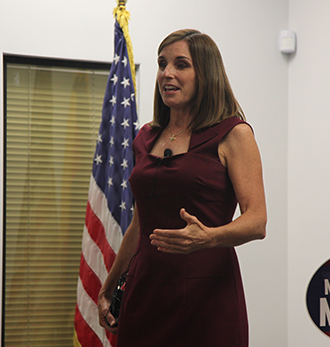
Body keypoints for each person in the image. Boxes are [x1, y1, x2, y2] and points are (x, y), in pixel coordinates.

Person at [97, 29, 267, 346]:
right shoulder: (145, 137)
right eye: (162, 64)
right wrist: (108, 286)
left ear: (206, 73)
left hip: (208, 295)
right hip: (145, 290)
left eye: (181, 64)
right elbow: (139, 222)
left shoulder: (234, 134)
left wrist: (208, 237)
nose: (167, 74)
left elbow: (257, 221)